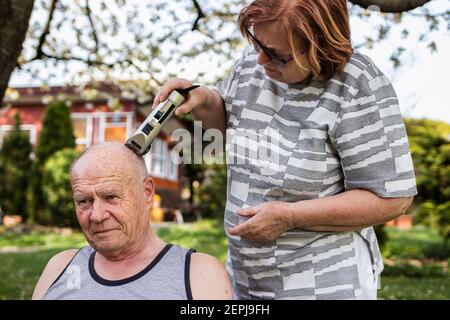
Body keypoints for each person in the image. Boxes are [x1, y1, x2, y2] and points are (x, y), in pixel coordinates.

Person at [154, 0, 417, 300]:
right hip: (246, 280)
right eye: (257, 42)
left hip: (325, 282)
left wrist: (289, 216)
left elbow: (392, 198)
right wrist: (206, 100)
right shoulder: (253, 63)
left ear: (321, 45)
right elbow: (227, 130)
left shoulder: (358, 84)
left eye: (278, 56)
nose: (261, 62)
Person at [32, 142, 232, 300]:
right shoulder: (61, 266)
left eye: (111, 197)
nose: (97, 215)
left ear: (147, 194)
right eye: (84, 201)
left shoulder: (198, 273)